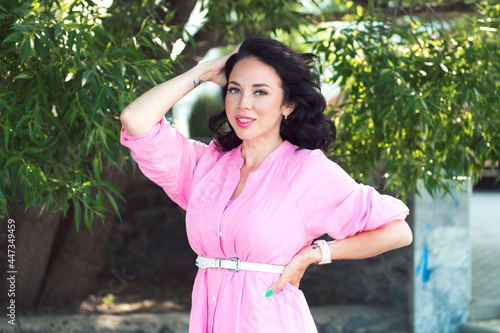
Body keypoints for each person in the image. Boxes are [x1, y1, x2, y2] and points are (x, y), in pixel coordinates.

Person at [120, 36, 412, 333]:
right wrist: (204, 71)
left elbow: (397, 231)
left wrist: (316, 254)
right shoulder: (206, 165)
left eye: (260, 92)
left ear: (288, 105)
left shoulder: (306, 170)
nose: (243, 104)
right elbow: (135, 119)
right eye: (235, 89)